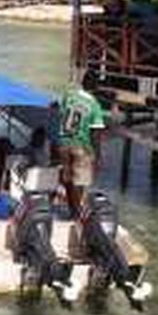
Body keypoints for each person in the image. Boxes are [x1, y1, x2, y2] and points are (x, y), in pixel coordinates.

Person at [55, 79, 106, 217]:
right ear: (95, 87)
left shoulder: (69, 96)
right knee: (80, 181)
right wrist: (98, 155)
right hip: (81, 146)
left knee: (67, 178)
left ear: (82, 83)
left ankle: (73, 210)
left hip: (64, 142)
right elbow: (95, 134)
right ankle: (77, 214)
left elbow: (61, 113)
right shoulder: (94, 105)